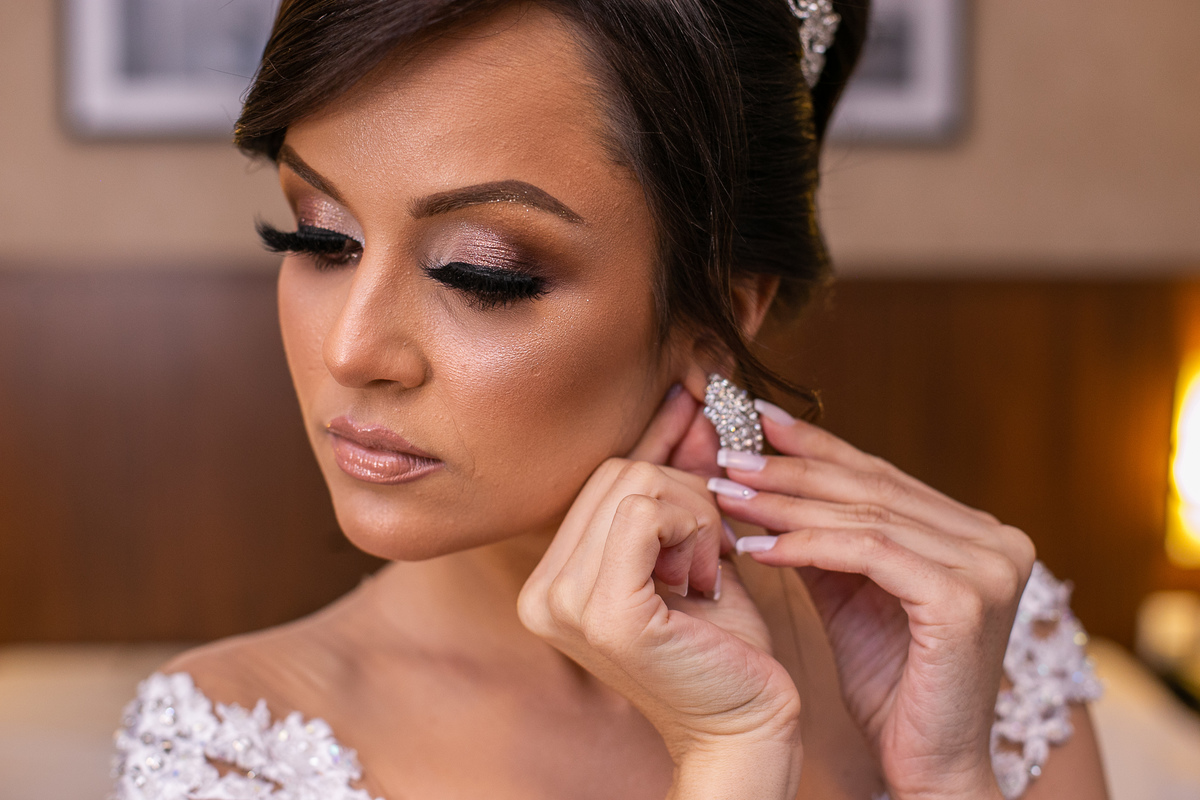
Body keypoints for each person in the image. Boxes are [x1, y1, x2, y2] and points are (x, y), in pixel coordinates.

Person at [112, 1, 1108, 798]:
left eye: (480, 271)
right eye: (319, 240)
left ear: (715, 316)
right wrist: (731, 759)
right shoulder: (231, 746)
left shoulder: (973, 648)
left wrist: (945, 778)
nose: (351, 347)